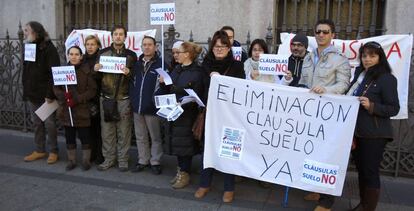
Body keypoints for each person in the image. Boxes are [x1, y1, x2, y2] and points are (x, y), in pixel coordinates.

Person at [298, 19, 351, 211]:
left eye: (325, 32)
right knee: (310, 151)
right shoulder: (308, 57)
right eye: (318, 31)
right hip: (309, 113)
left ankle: (326, 201)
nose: (321, 35)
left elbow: (344, 85)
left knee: (327, 155)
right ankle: (316, 189)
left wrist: (326, 90)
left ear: (333, 35)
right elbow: (304, 82)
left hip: (328, 115)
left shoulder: (340, 59)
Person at [346, 41, 399, 211]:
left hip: (375, 134)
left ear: (380, 57)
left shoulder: (387, 78)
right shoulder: (360, 75)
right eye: (364, 56)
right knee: (362, 171)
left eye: (372, 56)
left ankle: (368, 208)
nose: (367, 59)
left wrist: (372, 106)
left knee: (370, 172)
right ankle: (364, 204)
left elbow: (394, 108)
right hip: (358, 132)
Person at [194, 30, 245, 203]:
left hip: (230, 116)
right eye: (217, 46)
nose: (220, 49)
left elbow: (241, 91)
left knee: (229, 150)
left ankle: (229, 188)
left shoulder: (237, 66)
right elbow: (200, 89)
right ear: (212, 47)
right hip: (210, 114)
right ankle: (204, 183)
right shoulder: (205, 65)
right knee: (207, 149)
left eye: (224, 46)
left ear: (229, 48)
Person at [158, 41, 205, 189]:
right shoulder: (177, 69)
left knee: (185, 146)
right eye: (174, 53)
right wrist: (163, 83)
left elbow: (199, 95)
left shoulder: (197, 72)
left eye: (178, 53)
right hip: (174, 112)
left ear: (188, 54)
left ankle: (185, 173)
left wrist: (185, 101)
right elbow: (169, 88)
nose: (175, 55)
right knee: (178, 145)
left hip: (187, 115)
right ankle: (180, 171)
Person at [94, 25, 137, 172]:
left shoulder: (131, 55)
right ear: (112, 36)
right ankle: (109, 159)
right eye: (116, 34)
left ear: (125, 37)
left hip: (124, 98)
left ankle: (123, 160)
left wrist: (129, 73)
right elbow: (97, 78)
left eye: (121, 34)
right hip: (106, 98)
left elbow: (136, 78)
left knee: (124, 131)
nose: (118, 36)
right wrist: (96, 70)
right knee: (107, 131)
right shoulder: (103, 53)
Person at [22, 21, 60, 164]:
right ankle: (39, 150)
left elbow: (54, 73)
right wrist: (26, 89)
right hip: (33, 93)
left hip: (46, 95)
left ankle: (53, 151)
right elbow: (26, 69)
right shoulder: (29, 47)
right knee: (36, 123)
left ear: (36, 32)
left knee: (50, 124)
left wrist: (50, 94)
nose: (25, 33)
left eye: (27, 30)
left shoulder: (49, 48)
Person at [54, 46, 97, 171]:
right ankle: (71, 160)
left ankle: (86, 160)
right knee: (69, 137)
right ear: (68, 55)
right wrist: (63, 95)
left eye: (76, 54)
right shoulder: (62, 71)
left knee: (85, 137)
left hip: (82, 109)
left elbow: (92, 90)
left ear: (81, 56)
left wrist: (77, 99)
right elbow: (56, 88)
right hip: (67, 111)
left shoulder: (87, 71)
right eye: (71, 54)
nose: (73, 56)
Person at [129, 36, 164, 175]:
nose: (147, 47)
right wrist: (133, 99)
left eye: (150, 44)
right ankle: (143, 159)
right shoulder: (136, 64)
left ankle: (155, 161)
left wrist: (164, 81)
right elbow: (132, 83)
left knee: (155, 136)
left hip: (152, 107)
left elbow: (167, 86)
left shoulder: (161, 64)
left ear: (155, 47)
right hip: (137, 106)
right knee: (140, 135)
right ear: (141, 47)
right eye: (144, 45)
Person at [82, 35, 104, 165]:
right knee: (88, 128)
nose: (90, 47)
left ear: (98, 46)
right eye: (87, 44)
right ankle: (91, 153)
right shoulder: (81, 59)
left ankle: (100, 155)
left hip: (97, 97)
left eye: (92, 44)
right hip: (85, 99)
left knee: (99, 129)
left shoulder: (101, 59)